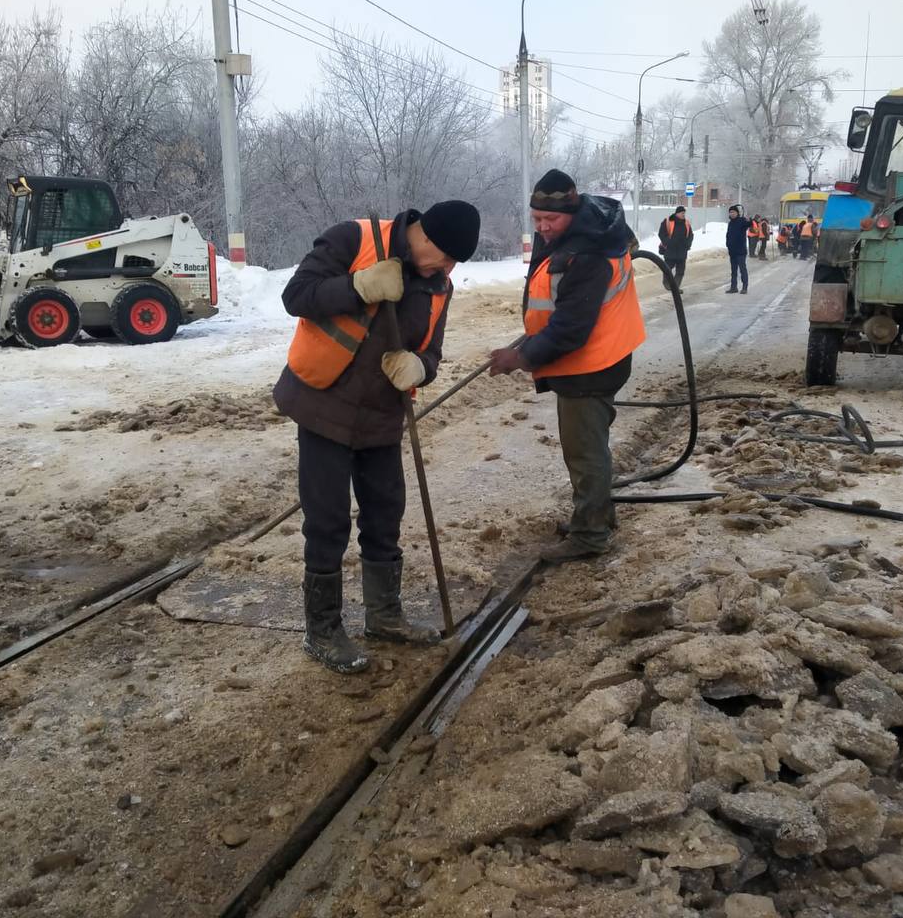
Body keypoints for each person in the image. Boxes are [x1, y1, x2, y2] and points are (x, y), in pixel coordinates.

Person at [274, 200, 482, 674]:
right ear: (424, 236)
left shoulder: (437, 286)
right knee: (327, 520)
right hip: (323, 404)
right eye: (447, 257)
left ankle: (384, 616)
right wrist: (358, 286)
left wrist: (420, 368)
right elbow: (297, 296)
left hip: (382, 416)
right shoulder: (354, 238)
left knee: (385, 513)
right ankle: (322, 628)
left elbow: (431, 351)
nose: (448, 270)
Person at [488, 169, 645, 564]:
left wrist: (520, 357)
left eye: (550, 220)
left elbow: (571, 328)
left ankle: (590, 535)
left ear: (572, 212)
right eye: (536, 219)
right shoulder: (584, 232)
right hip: (599, 357)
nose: (542, 228)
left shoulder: (588, 253)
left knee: (585, 452)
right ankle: (597, 516)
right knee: (591, 447)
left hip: (591, 363)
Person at [657, 205, 693, 287]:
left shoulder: (686, 223)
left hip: (682, 252)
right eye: (682, 213)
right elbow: (661, 233)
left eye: (684, 213)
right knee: (667, 270)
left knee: (680, 272)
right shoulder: (668, 221)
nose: (683, 214)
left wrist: (688, 244)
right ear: (677, 213)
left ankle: (675, 288)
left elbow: (691, 235)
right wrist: (668, 242)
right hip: (670, 251)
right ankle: (666, 284)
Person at [725, 205, 749, 294]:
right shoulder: (730, 223)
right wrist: (728, 244)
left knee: (742, 269)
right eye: (730, 212)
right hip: (732, 251)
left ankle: (745, 287)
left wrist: (750, 221)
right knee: (733, 271)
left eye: (733, 212)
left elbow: (749, 224)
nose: (731, 214)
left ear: (737, 213)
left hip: (741, 251)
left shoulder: (742, 221)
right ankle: (733, 287)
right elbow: (728, 235)